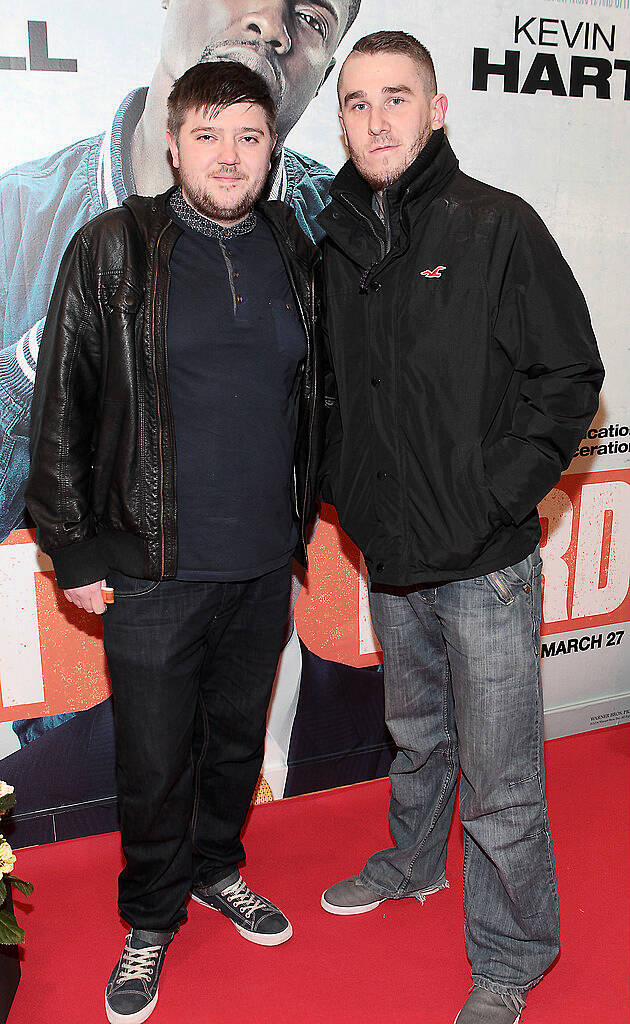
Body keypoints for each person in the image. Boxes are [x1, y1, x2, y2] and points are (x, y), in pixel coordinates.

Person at [26, 60, 323, 1023]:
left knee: (234, 745)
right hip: (151, 569)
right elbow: (59, 405)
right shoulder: (113, 247)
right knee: (154, 760)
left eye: (248, 136)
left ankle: (217, 867)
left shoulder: (292, 245)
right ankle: (150, 918)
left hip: (261, 561)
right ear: (173, 141)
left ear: (271, 146)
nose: (228, 156)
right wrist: (72, 550)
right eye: (209, 135)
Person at [317, 31, 604, 1024]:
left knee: (504, 777)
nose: (378, 119)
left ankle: (513, 957)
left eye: (398, 98)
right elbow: (328, 394)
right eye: (358, 102)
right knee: (415, 736)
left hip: (482, 560)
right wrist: (344, 488)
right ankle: (410, 863)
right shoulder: (336, 237)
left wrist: (500, 490)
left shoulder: (497, 225)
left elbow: (571, 377)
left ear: (437, 109)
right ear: (341, 118)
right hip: (388, 553)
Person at [0, 0, 361, 541]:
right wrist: (41, 366)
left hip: (254, 576)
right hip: (129, 594)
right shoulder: (17, 216)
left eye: (312, 18)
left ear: (323, 76)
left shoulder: (341, 237)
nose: (272, 25)